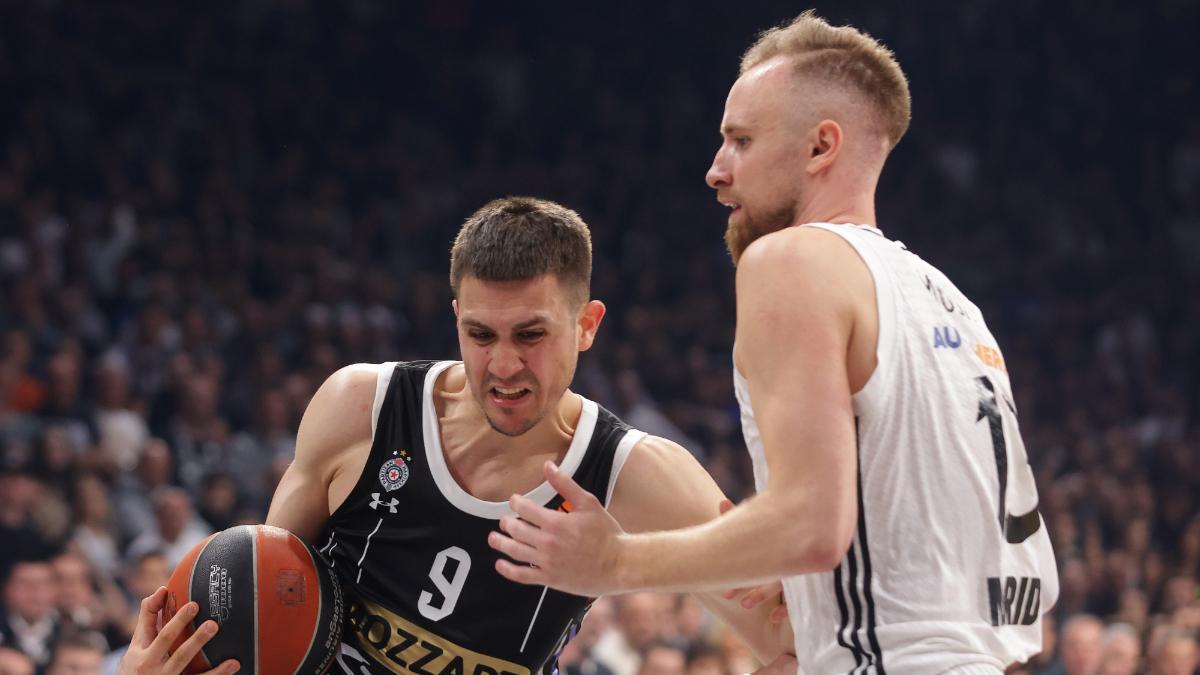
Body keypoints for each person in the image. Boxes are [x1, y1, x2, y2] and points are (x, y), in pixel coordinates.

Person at [487, 11, 1059, 674]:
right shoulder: (957, 308)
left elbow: (812, 526)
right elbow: (990, 587)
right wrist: (803, 584)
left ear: (820, 148)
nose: (715, 170)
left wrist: (613, 561)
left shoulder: (790, 260)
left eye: (740, 141)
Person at [118, 197, 792, 675]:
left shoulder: (636, 475)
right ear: (455, 318)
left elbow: (804, 649)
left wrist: (622, 563)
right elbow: (268, 602)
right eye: (480, 334)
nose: (503, 365)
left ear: (586, 325)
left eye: (531, 334)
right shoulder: (361, 408)